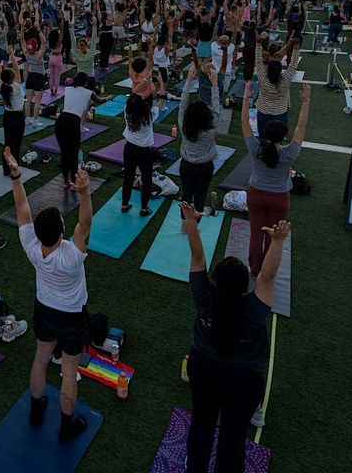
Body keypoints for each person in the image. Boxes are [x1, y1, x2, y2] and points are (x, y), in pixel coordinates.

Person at [183, 203, 290, 473]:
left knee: (202, 424)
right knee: (233, 435)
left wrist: (192, 223)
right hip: (242, 379)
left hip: (204, 368)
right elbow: (267, 276)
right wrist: (277, 241)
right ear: (245, 288)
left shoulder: (205, 298)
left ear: (215, 282)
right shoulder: (254, 310)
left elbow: (197, 259)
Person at [7, 148, 94, 443]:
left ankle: (35, 409)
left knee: (41, 360)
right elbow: (86, 224)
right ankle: (66, 426)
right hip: (71, 316)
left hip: (44, 310)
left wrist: (17, 175)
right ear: (61, 232)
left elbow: (22, 208)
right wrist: (85, 193)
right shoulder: (71, 255)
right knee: (69, 371)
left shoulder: (33, 247)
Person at [239, 81, 309, 276]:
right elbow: (301, 128)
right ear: (283, 136)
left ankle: (254, 271)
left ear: (266, 133)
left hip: (256, 195)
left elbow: (244, 122)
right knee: (272, 237)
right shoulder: (289, 154)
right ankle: (267, 272)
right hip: (279, 198)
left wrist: (246, 97)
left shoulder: (255, 148)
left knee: (256, 235)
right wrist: (305, 101)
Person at [178, 64, 222, 219]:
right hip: (204, 167)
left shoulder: (184, 124)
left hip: (186, 165)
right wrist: (215, 83)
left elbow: (183, 104)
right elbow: (216, 106)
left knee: (187, 194)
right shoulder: (211, 126)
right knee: (199, 197)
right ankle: (193, 227)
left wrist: (189, 80)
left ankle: (186, 225)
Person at [121, 72, 168, 216]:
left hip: (129, 148)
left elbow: (134, 93)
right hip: (143, 152)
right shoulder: (149, 115)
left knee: (128, 177)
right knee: (146, 179)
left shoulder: (127, 110)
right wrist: (160, 81)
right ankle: (143, 208)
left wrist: (146, 79)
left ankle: (124, 204)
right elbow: (162, 101)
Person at [54, 72, 101, 188]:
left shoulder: (68, 89)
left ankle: (66, 181)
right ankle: (74, 182)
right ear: (85, 82)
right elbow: (99, 100)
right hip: (73, 122)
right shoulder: (88, 92)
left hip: (60, 121)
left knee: (64, 152)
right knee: (74, 153)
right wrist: (108, 97)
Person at [0, 53, 26, 162]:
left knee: (8, 143)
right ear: (12, 77)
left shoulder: (2, 85)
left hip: (7, 116)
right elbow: (16, 67)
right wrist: (11, 54)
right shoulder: (16, 86)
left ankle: (6, 168)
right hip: (18, 117)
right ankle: (14, 167)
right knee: (16, 143)